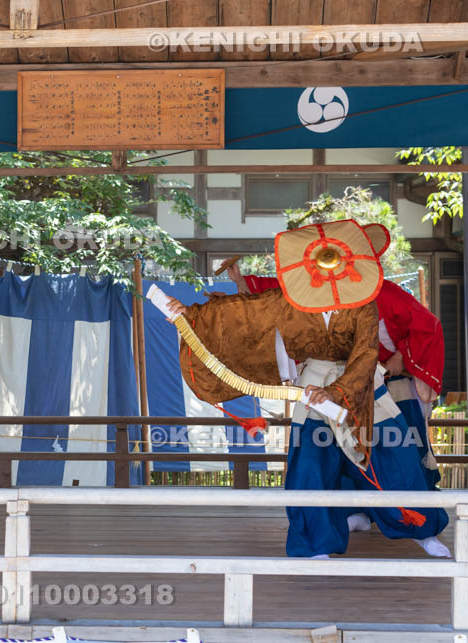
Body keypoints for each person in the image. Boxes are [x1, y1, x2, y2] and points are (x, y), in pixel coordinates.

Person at [166, 220, 448, 558]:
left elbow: (366, 352)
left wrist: (338, 391)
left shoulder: (363, 301)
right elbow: (242, 313)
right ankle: (315, 541)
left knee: (396, 456)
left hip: (361, 384)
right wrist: (191, 315)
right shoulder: (291, 302)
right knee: (310, 465)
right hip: (313, 384)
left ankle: (421, 529)